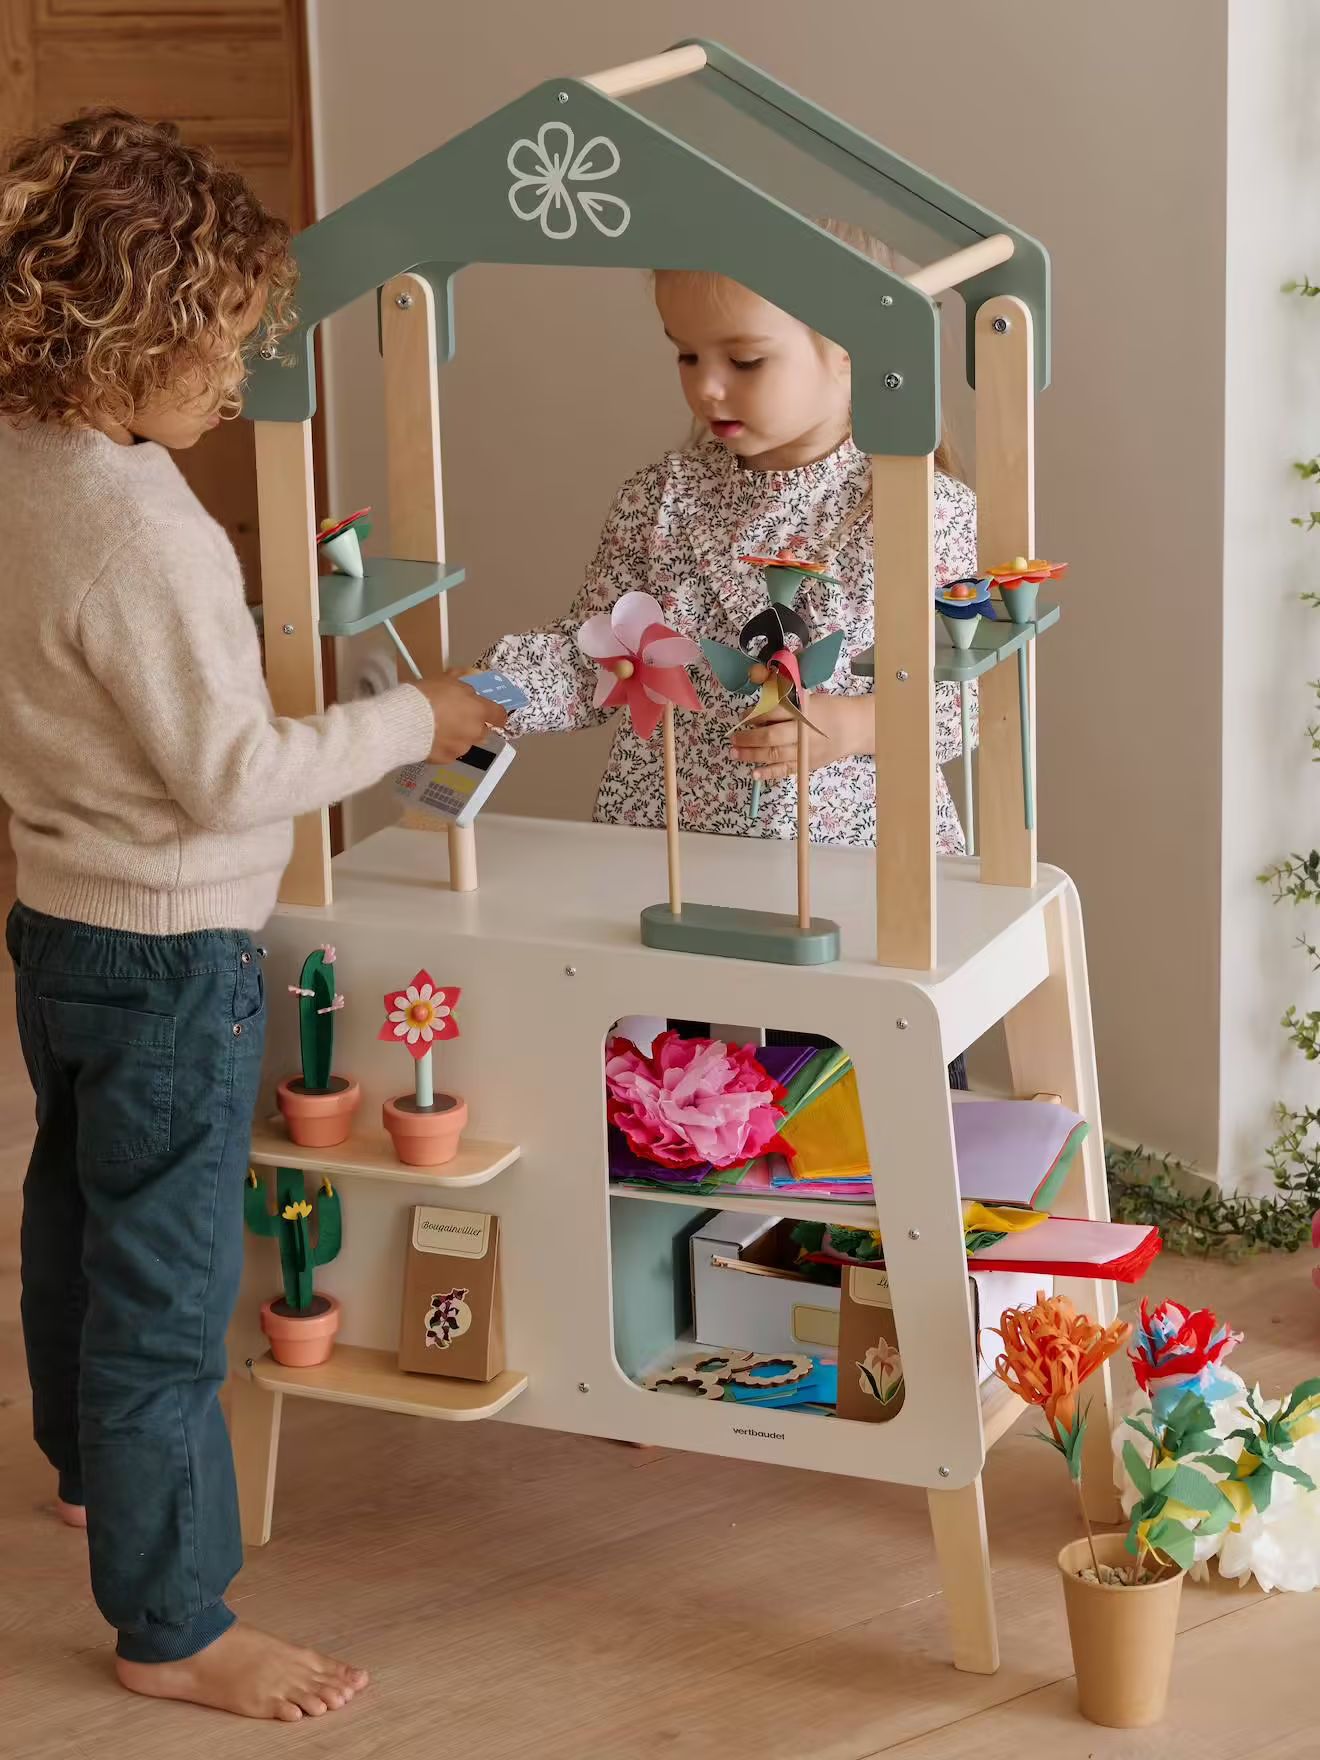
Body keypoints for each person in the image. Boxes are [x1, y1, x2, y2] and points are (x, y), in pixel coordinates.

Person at [0, 108, 503, 1722]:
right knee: (165, 1290)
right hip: (170, 949)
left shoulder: (28, 463)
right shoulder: (140, 527)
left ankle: (91, 1472)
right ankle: (175, 1624)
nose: (237, 377)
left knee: (76, 1212)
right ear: (120, 337)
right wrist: (421, 718)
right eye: (215, 345)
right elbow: (230, 774)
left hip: (58, 917)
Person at [478, 220, 978, 855]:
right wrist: (485, 694)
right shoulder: (658, 498)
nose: (707, 387)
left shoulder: (919, 510)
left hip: (856, 860)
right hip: (669, 847)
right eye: (687, 355)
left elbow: (971, 701)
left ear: (851, 350)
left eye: (745, 361)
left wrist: (856, 724)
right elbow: (594, 660)